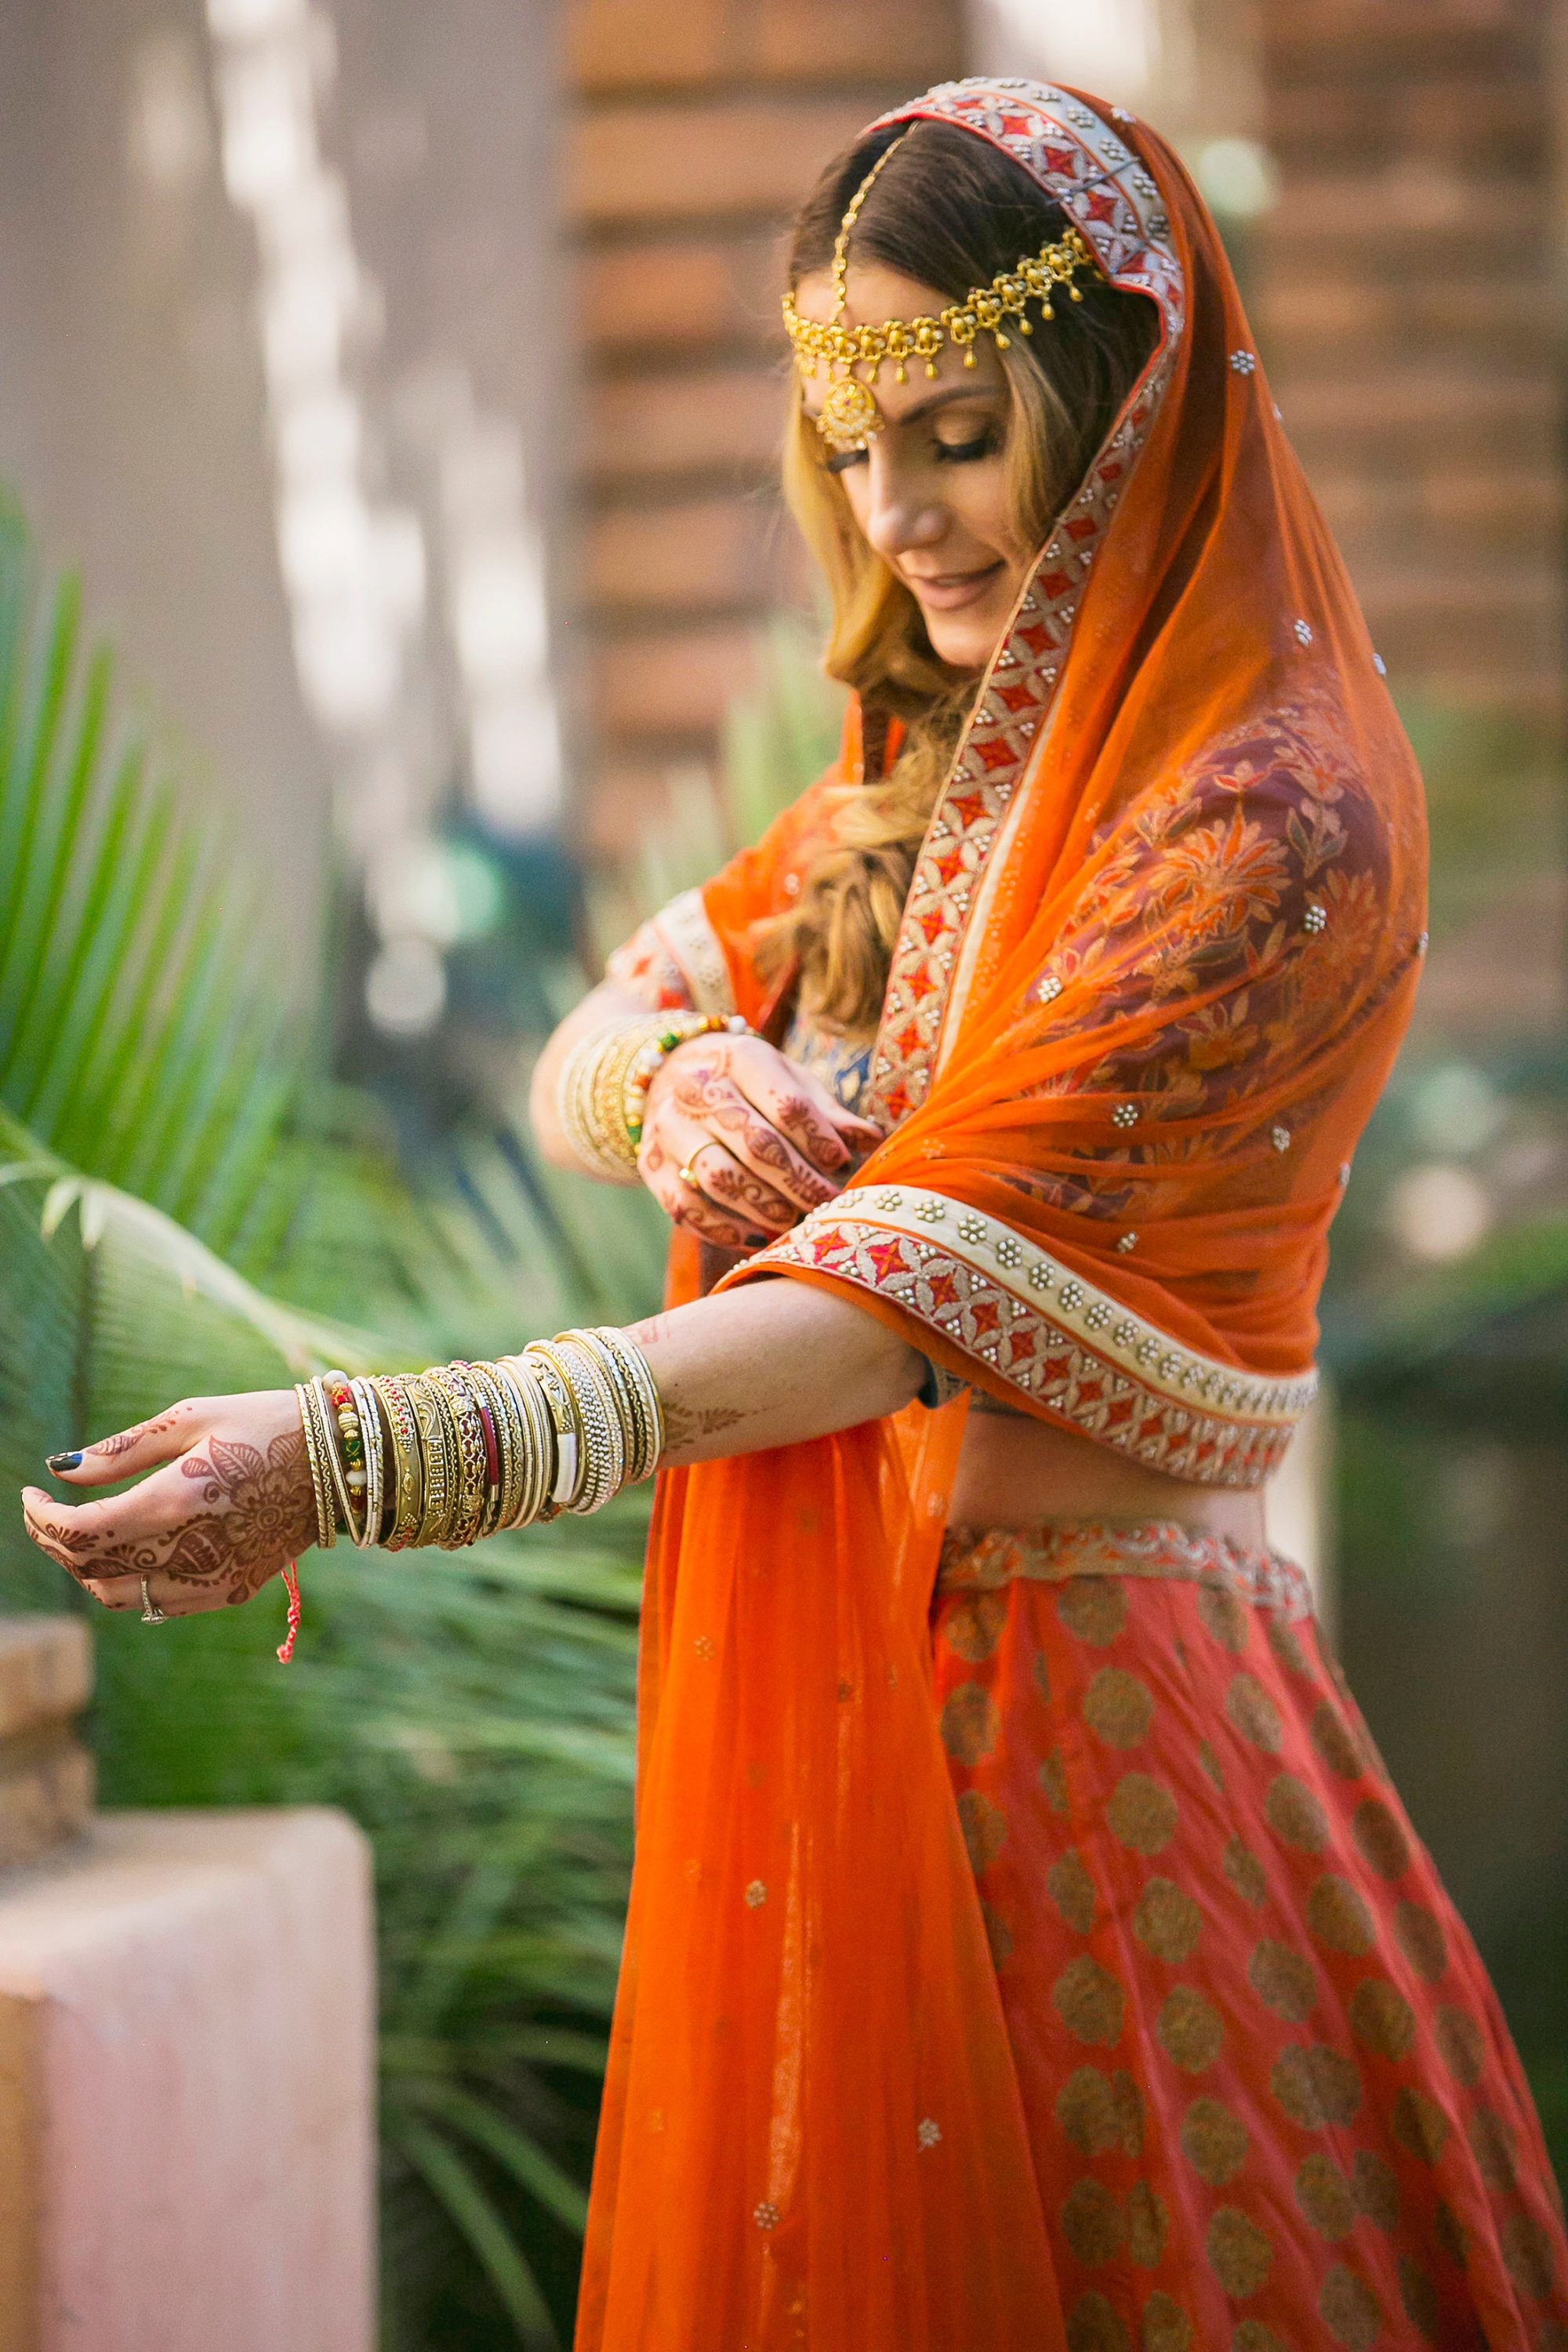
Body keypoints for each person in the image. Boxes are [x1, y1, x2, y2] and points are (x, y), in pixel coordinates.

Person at [21, 75, 1567, 2352]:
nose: (898, 518)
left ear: (1111, 402)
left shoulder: (1268, 827)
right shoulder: (928, 773)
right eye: (851, 449)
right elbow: (589, 1042)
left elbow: (884, 1312)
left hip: (1103, 1772)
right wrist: (680, 1080)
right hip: (861, 1754)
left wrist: (355, 1456)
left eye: (953, 437)